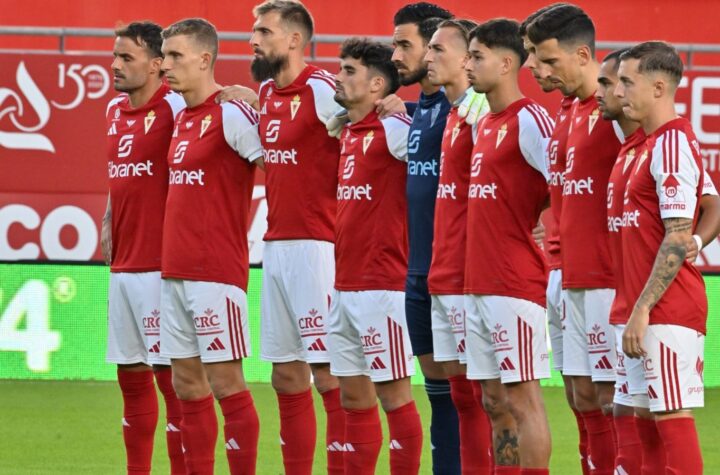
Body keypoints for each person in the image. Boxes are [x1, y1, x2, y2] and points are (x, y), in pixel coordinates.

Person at [159, 17, 263, 474]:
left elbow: (279, 168)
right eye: (164, 56)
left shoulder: (233, 112)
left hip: (215, 272)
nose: (165, 65)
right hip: (174, 270)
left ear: (205, 59)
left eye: (176, 56)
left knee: (226, 384)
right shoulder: (182, 117)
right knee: (186, 386)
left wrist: (260, 102)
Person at [249, 2, 345, 472]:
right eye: (254, 30)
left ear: (293, 39)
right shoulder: (265, 92)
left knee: (328, 374)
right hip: (276, 245)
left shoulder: (324, 90)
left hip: (319, 246)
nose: (253, 39)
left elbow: (364, 137)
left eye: (264, 31)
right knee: (286, 376)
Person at [616, 41, 719, 475]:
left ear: (659, 87)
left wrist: (643, 308)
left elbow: (676, 237)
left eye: (627, 81)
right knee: (645, 425)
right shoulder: (643, 144)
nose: (620, 91)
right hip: (641, 310)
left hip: (665, 310)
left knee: (671, 420)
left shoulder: (672, 143)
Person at [529, 6, 621, 473]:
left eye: (546, 60)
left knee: (610, 399)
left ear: (582, 54)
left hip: (607, 277)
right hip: (562, 273)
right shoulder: (565, 110)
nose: (535, 69)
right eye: (531, 57)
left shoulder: (621, 110)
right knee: (580, 395)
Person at [463, 18, 554, 475]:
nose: (468, 64)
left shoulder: (530, 119)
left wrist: (547, 224)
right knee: (493, 400)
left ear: (505, 62)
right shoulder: (484, 123)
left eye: (476, 56)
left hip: (515, 284)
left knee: (522, 399)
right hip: (478, 282)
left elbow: (568, 184)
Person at [328, 37, 421, 475]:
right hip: (344, 286)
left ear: (378, 84)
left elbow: (437, 177)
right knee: (352, 398)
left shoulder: (396, 129)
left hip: (384, 286)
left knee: (394, 397)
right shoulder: (348, 129)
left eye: (349, 71)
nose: (339, 77)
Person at [103, 20, 186, 475]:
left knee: (172, 382)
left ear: (158, 65)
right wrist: (108, 214)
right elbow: (119, 172)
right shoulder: (114, 110)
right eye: (115, 56)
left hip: (162, 266)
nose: (115, 66)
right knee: (130, 377)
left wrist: (244, 96)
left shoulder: (176, 106)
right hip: (123, 264)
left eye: (126, 58)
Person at [390, 4, 461, 472]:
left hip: (459, 274)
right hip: (419, 270)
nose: (396, 55)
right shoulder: (424, 108)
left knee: (477, 397)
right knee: (439, 393)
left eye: (406, 45)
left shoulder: (469, 106)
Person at [423, 18, 493, 474]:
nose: (427, 57)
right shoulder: (451, 115)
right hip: (445, 272)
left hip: (478, 277)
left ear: (468, 60)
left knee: (494, 397)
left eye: (438, 49)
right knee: (463, 394)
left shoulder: (484, 114)